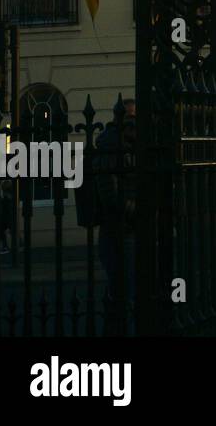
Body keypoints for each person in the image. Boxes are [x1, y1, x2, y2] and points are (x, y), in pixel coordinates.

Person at [93, 98, 137, 334]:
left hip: (133, 231)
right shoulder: (109, 146)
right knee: (124, 294)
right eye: (129, 118)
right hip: (118, 232)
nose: (133, 124)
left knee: (131, 294)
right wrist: (139, 210)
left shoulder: (133, 145)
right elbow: (110, 195)